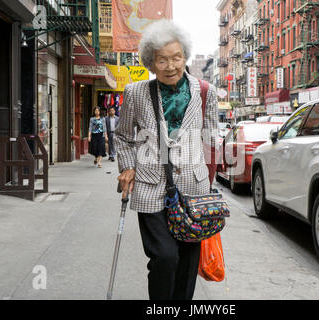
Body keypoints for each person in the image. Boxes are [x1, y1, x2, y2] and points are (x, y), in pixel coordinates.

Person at [115, 20, 218, 300]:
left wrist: (209, 186)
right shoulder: (135, 93)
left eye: (176, 57)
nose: (171, 66)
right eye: (163, 60)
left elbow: (211, 140)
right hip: (151, 187)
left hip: (193, 190)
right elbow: (123, 137)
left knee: (187, 262)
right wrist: (127, 166)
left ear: (184, 56)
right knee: (164, 257)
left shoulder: (206, 91)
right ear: (151, 62)